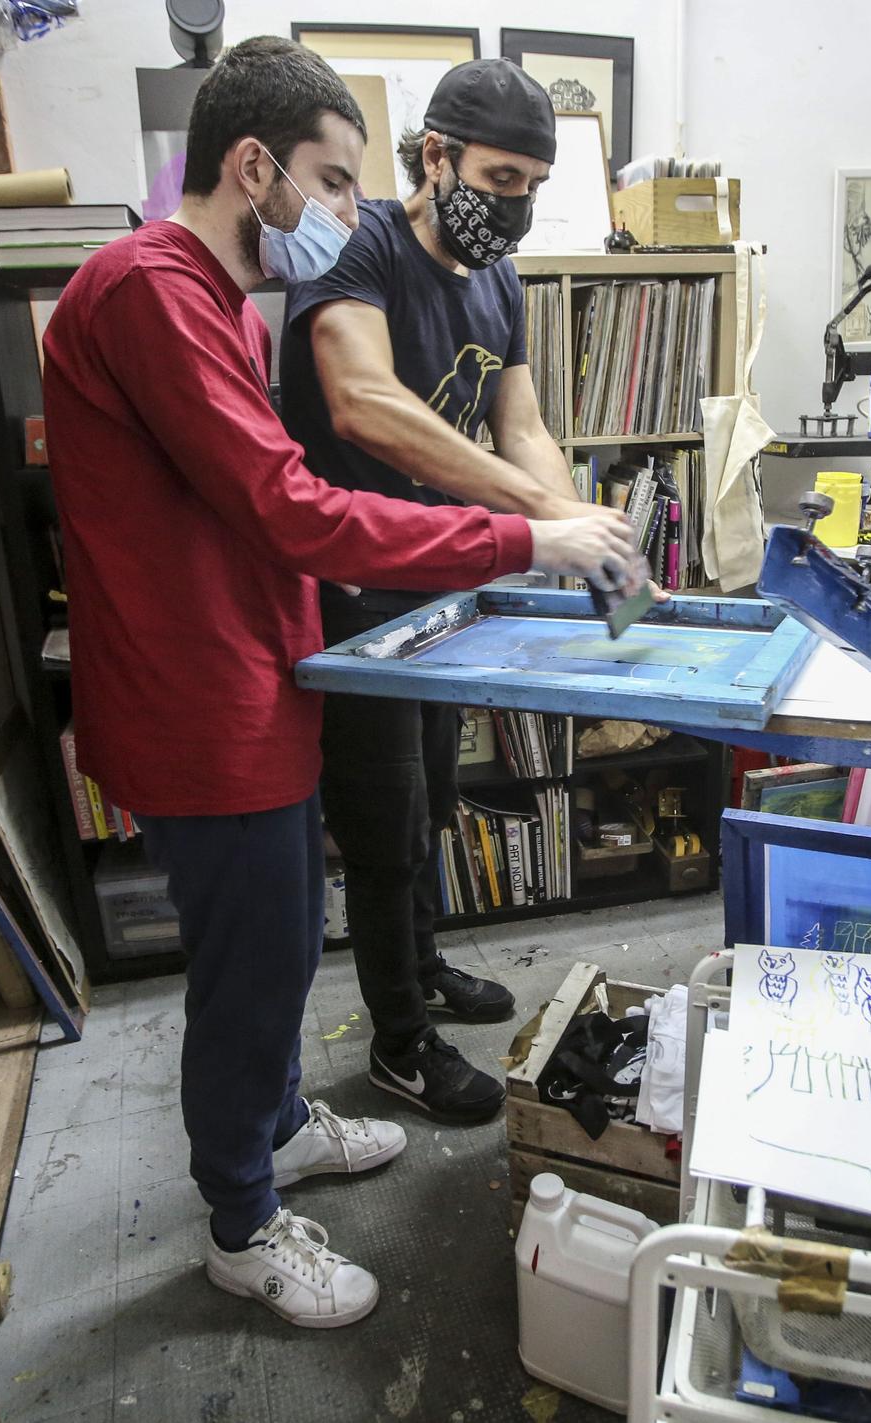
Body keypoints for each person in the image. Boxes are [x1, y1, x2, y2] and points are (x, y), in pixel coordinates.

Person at [40, 37, 640, 1330]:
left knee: (282, 926)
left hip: (253, 670)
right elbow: (296, 504)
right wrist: (524, 534)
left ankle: (276, 1127)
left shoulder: (202, 295)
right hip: (203, 696)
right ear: (252, 166)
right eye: (328, 176)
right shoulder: (149, 286)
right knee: (251, 972)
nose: (345, 210)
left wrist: (535, 516)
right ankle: (243, 1221)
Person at [280, 58, 595, 1127]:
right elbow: (365, 403)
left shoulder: (496, 281)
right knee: (382, 825)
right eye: (498, 177)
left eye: (532, 186)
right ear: (435, 157)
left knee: (431, 797)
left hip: (431, 586)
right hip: (349, 585)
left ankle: (423, 965)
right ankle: (400, 1044)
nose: (514, 205)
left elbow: (523, 427)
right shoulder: (357, 247)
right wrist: (531, 524)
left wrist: (584, 533)